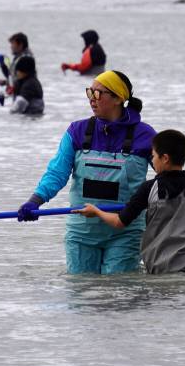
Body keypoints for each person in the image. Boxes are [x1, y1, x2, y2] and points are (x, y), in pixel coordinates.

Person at [16, 70, 155, 274]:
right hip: (82, 231)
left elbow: (167, 173)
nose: (92, 99)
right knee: (83, 292)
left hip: (126, 230)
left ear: (117, 98)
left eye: (98, 94)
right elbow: (57, 173)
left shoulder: (145, 135)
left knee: (118, 294)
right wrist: (35, 201)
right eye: (89, 93)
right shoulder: (76, 131)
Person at [76, 129, 185, 274]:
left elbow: (120, 222)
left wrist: (96, 211)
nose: (152, 161)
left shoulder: (148, 189)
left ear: (165, 158)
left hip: (159, 270)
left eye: (153, 156)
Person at [0, 32, 34, 96]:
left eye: (13, 44)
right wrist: (2, 65)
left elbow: (22, 79)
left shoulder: (26, 59)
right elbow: (13, 76)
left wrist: (8, 85)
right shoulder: (18, 58)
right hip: (21, 97)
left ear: (20, 45)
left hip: (26, 98)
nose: (11, 47)